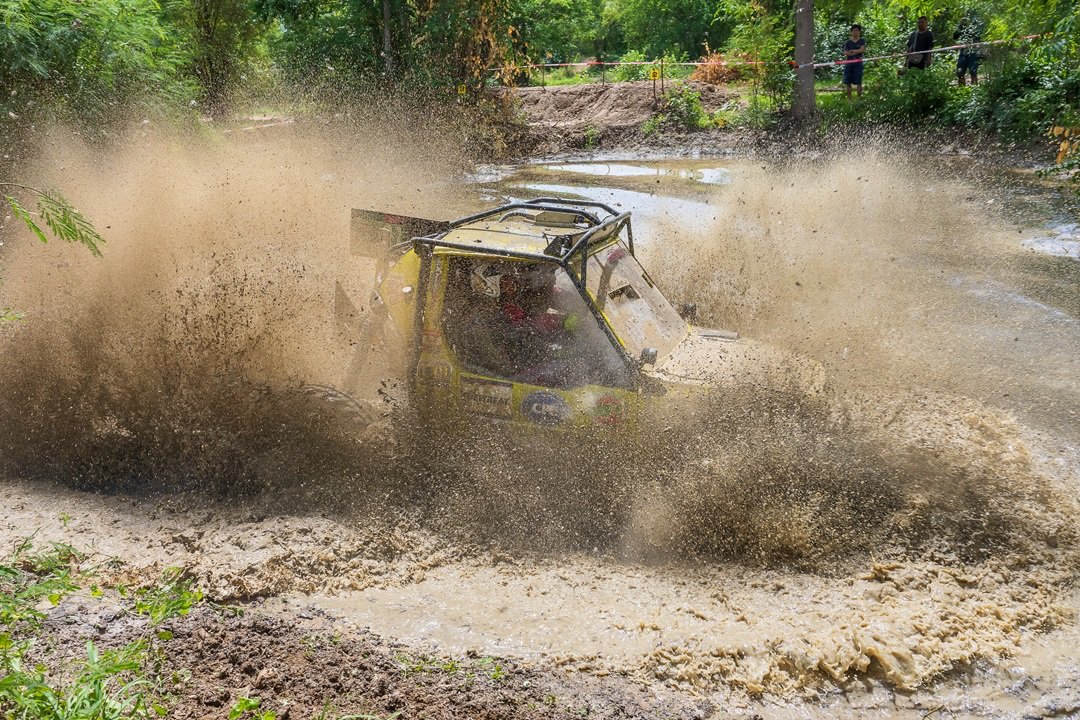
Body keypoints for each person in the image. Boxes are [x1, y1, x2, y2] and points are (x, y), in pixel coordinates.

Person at [954, 16, 982, 85]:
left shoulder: (974, 30)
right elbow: (955, 36)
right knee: (960, 72)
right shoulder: (961, 30)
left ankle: (974, 88)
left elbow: (978, 39)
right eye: (963, 21)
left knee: (973, 71)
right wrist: (960, 28)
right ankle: (961, 89)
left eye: (966, 21)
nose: (964, 23)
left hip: (973, 52)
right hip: (963, 52)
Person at [842, 24, 866, 98]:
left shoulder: (862, 40)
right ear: (851, 32)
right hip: (849, 63)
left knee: (859, 81)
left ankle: (859, 98)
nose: (856, 32)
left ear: (859, 32)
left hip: (858, 63)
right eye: (854, 30)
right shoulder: (848, 42)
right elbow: (845, 52)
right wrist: (855, 52)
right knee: (848, 82)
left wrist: (853, 51)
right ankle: (849, 99)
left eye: (857, 30)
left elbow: (862, 50)